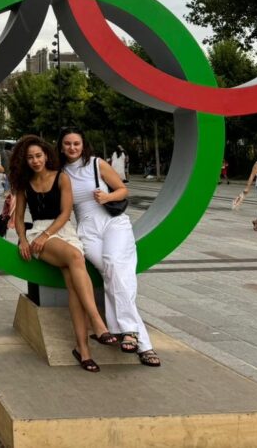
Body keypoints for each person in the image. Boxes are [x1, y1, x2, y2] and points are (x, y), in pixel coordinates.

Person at [10, 134, 119, 372]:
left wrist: (48, 234)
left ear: (46, 155)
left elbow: (65, 213)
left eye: (38, 155)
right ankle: (97, 322)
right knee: (75, 256)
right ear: (25, 160)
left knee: (73, 282)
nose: (35, 161)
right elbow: (18, 218)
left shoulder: (62, 178)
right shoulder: (23, 184)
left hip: (61, 230)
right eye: (30, 157)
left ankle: (83, 349)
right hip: (38, 233)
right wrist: (22, 240)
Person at [58, 127, 161, 367]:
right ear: (61, 146)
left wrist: (107, 198)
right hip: (86, 229)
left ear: (83, 145)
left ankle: (129, 333)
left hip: (113, 223)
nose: (72, 148)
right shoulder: (60, 173)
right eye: (67, 144)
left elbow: (124, 190)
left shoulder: (96, 164)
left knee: (115, 265)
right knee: (115, 275)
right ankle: (138, 340)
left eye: (76, 143)